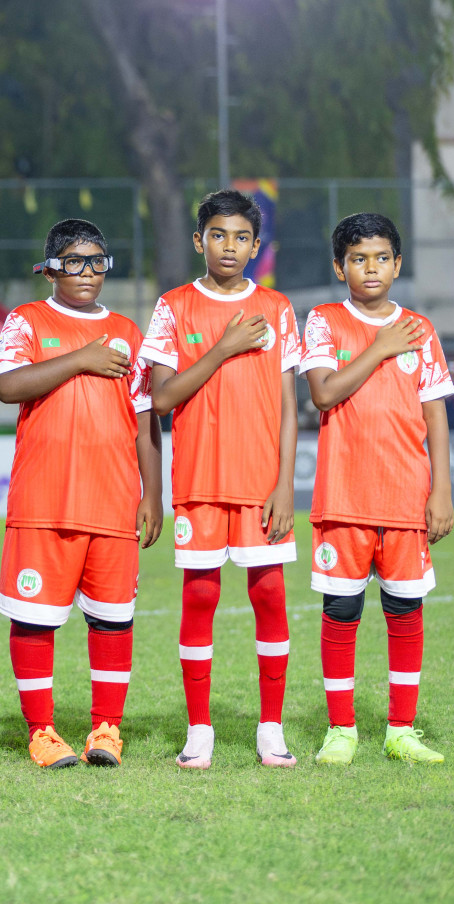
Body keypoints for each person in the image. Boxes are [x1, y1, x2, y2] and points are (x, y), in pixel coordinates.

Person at [139, 189, 300, 769]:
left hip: (261, 484)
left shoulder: (278, 309)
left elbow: (287, 405)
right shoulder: (174, 306)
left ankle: (271, 729)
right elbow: (160, 400)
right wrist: (224, 346)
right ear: (198, 240)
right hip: (201, 481)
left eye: (240, 237)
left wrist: (285, 484)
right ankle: (200, 730)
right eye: (217, 235)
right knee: (200, 595)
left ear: (256, 246)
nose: (228, 246)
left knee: (270, 595)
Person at [0, 219, 162, 769]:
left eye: (97, 261)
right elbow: (7, 386)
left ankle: (106, 730)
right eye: (74, 260)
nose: (87, 271)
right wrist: (82, 359)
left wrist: (152, 494)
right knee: (35, 618)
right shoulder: (27, 320)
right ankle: (41, 731)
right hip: (44, 499)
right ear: (51, 267)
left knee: (112, 619)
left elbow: (145, 423)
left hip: (113, 501)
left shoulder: (129, 333)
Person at [300, 212, 453, 765]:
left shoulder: (420, 328)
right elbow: (323, 393)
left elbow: (435, 415)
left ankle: (401, 731)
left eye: (382, 257)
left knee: (405, 612)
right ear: (340, 266)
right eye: (359, 258)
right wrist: (380, 346)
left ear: (398, 264)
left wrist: (441, 491)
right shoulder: (323, 321)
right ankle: (342, 730)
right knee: (341, 611)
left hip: (407, 496)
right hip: (345, 495)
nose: (371, 268)